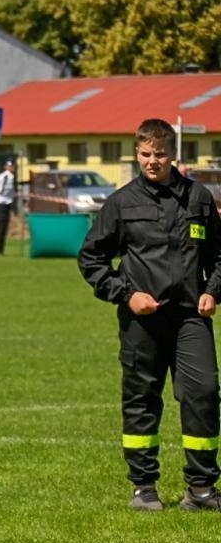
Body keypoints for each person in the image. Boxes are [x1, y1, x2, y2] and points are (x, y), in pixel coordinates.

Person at [79, 117, 221, 511]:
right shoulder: (122, 203)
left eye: (159, 153)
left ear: (174, 154)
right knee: (142, 399)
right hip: (142, 320)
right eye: (145, 154)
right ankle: (144, 488)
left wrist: (213, 291)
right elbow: (91, 258)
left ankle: (202, 489)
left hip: (191, 318)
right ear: (137, 153)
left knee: (203, 393)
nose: (152, 161)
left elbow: (219, 256)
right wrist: (126, 295)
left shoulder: (199, 198)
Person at [0, 159, 17, 255]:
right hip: (0, 202)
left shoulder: (12, 177)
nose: (12, 167)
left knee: (5, 227)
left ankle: (1, 250)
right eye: (10, 166)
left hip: (7, 202)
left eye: (13, 166)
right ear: (6, 167)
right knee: (1, 227)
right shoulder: (2, 177)